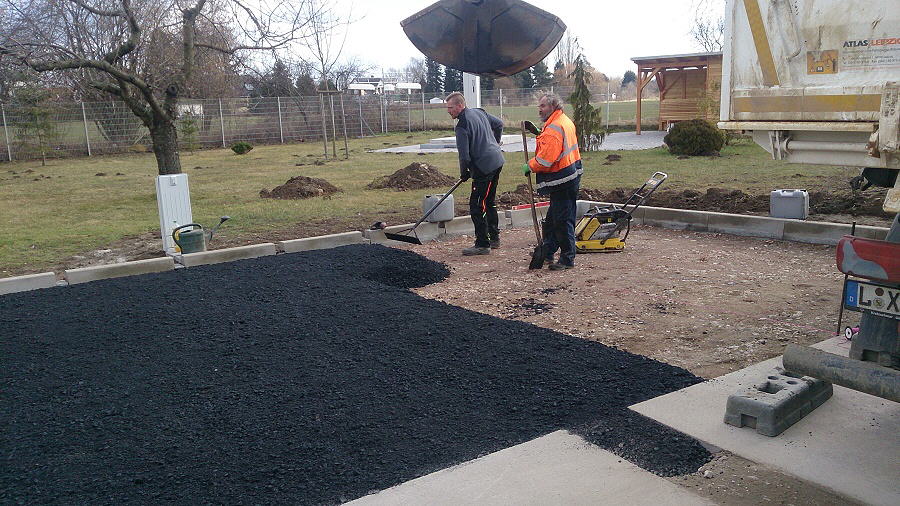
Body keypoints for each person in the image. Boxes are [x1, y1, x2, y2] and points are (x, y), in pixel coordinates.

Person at [522, 93, 583, 270]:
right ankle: (547, 250)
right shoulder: (563, 120)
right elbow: (554, 144)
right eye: (539, 106)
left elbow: (545, 160)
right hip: (571, 173)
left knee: (563, 220)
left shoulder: (554, 128)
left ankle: (567, 258)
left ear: (553, 107)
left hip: (562, 179)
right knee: (553, 218)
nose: (539, 110)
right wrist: (540, 134)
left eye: (543, 106)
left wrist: (530, 166)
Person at [446, 91, 505, 255]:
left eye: (450, 107)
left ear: (460, 105)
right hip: (497, 161)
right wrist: (495, 142)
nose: (448, 111)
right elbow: (499, 124)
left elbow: (464, 155)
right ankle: (494, 238)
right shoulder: (479, 112)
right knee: (489, 201)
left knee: (477, 205)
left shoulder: (462, 126)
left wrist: (464, 172)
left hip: (483, 168)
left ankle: (482, 244)